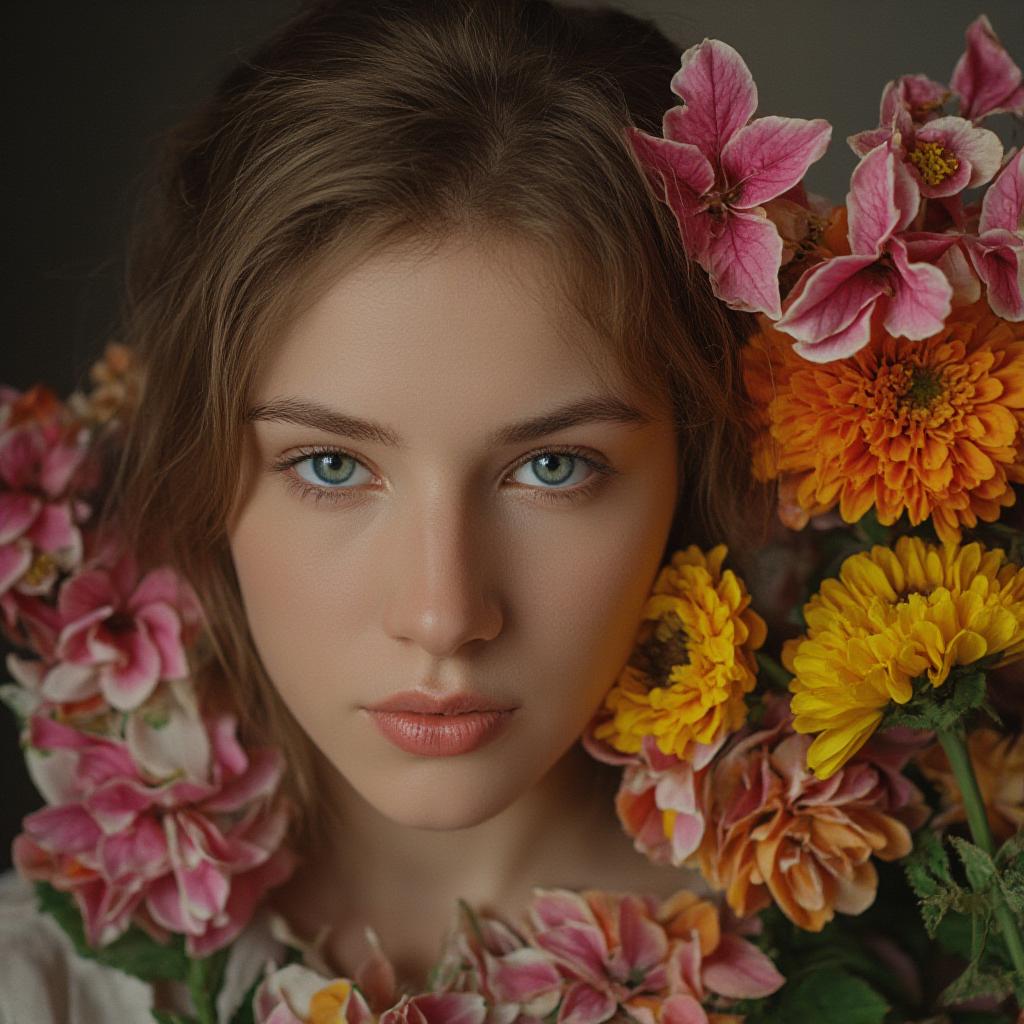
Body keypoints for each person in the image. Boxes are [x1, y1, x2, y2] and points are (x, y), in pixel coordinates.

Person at [0, 0, 766, 1018]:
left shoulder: (938, 959)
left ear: (698, 461)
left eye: (551, 467)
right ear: (203, 464)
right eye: (327, 464)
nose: (443, 615)